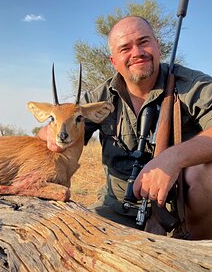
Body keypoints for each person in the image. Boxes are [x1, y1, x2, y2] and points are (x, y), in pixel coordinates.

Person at [39, 16, 212, 240]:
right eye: (125, 48)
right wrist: (51, 133)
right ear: (114, 61)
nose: (137, 52)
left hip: (181, 210)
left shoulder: (191, 84)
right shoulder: (99, 98)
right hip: (118, 209)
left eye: (144, 42)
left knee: (207, 175)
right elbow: (52, 134)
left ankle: (194, 251)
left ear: (158, 46)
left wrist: (173, 157)